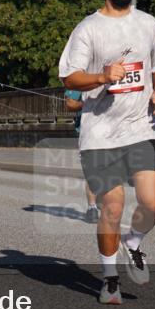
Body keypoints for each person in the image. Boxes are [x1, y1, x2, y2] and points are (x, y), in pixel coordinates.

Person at [58, 0, 155, 305]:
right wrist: (103, 76)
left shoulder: (149, 23)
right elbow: (69, 76)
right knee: (113, 207)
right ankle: (109, 278)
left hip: (143, 127)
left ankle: (134, 241)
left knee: (153, 202)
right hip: (101, 133)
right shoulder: (88, 28)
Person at [64, 89, 99, 223]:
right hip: (89, 129)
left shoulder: (117, 71)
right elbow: (71, 103)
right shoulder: (82, 73)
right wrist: (89, 104)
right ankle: (92, 207)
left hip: (115, 129)